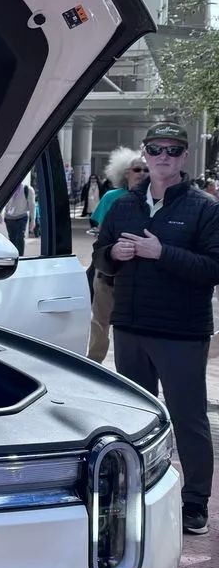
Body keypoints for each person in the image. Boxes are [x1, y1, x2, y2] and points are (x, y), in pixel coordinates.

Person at [93, 121, 219, 536]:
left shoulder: (204, 208)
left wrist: (160, 252)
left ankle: (195, 502)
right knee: (133, 418)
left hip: (181, 332)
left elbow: (212, 270)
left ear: (184, 158)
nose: (163, 157)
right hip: (130, 326)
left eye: (172, 150)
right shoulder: (123, 205)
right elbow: (101, 260)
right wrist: (115, 252)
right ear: (144, 155)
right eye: (155, 149)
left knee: (187, 419)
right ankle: (135, 495)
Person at [84, 148, 147, 364]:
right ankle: (94, 365)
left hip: (139, 279)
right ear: (125, 173)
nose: (142, 174)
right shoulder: (112, 197)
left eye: (146, 170)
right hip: (107, 275)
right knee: (100, 323)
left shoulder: (156, 199)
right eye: (136, 169)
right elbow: (101, 235)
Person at [2, 179, 33, 252]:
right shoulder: (7, 189)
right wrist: (0, 215)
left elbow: (32, 205)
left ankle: (20, 257)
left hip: (21, 217)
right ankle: (13, 255)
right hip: (9, 218)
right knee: (12, 239)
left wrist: (33, 220)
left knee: (20, 238)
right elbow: (3, 204)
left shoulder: (27, 189)